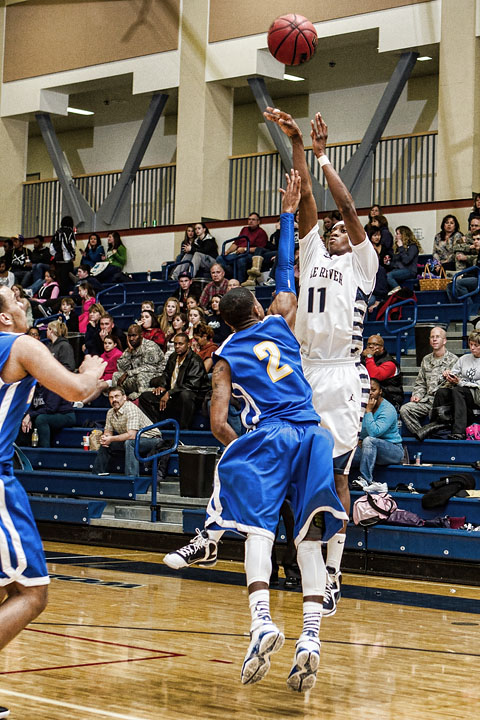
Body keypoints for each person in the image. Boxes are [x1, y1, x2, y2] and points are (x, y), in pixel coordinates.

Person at [164, 171, 347, 693]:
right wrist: (286, 214)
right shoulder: (282, 318)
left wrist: (241, 446)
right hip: (313, 434)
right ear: (260, 310)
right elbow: (287, 267)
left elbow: (219, 420)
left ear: (227, 324)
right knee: (309, 537)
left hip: (272, 436)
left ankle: (259, 614)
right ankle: (311, 636)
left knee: (256, 524)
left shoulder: (223, 355)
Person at [263, 107, 378, 616]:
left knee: (337, 477)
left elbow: (348, 207)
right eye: (327, 230)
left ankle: (333, 573)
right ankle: (303, 560)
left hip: (341, 373)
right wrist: (296, 143)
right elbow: (305, 197)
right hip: (305, 368)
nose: (332, 231)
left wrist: (326, 154)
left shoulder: (363, 264)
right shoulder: (311, 258)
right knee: (297, 476)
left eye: (338, 231)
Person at [0, 285, 104, 720]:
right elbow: (77, 391)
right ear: (4, 318)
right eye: (17, 301)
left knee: (5, 588)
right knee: (32, 593)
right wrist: (93, 370)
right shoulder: (20, 345)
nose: (25, 305)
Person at [138, 332, 209, 429]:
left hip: (190, 397)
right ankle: (159, 426)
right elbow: (166, 374)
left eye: (180, 344)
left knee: (186, 395)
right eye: (175, 344)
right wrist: (162, 386)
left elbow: (192, 385)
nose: (177, 346)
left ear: (188, 344)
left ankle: (184, 429)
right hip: (173, 395)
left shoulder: (195, 360)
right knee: (145, 397)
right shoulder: (173, 357)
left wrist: (170, 393)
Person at [399, 327, 458, 440]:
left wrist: (450, 378)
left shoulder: (453, 360)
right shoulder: (426, 359)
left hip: (443, 404)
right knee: (405, 409)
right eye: (432, 337)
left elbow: (456, 385)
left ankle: (426, 434)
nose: (434, 339)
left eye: (437, 337)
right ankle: (424, 435)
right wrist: (417, 395)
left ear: (444, 340)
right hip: (427, 401)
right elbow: (420, 382)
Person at [92, 386, 162, 477]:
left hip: (152, 440)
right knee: (107, 443)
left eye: (117, 396)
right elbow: (108, 432)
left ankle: (131, 477)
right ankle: (97, 474)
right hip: (135, 440)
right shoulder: (110, 412)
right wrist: (105, 438)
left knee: (130, 443)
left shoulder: (130, 409)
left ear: (124, 397)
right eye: (111, 397)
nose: (114, 400)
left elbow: (132, 435)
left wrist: (111, 438)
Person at [351, 378, 404, 493]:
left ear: (380, 391)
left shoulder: (387, 409)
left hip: (392, 450)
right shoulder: (359, 406)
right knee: (346, 450)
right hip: (368, 449)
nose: (370, 393)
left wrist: (369, 411)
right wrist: (358, 440)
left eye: (373, 390)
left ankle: (366, 480)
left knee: (369, 441)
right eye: (367, 390)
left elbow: (374, 432)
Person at [426, 330, 480, 440]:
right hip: (463, 391)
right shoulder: (464, 358)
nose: (472, 348)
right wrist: (447, 375)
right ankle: (437, 428)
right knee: (442, 392)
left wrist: (459, 382)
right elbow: (454, 372)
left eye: (476, 345)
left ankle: (459, 431)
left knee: (458, 390)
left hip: (477, 394)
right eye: (471, 344)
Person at [112, 324, 164, 401]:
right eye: (129, 336)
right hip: (136, 377)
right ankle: (119, 399)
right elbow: (121, 367)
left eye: (134, 335)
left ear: (141, 335)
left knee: (141, 375)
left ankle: (139, 396)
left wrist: (128, 373)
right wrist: (129, 352)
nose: (131, 339)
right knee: (116, 375)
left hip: (154, 376)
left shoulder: (150, 346)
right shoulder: (130, 348)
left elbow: (151, 367)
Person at [216, 212, 268, 283]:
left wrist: (245, 249)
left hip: (250, 255)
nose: (251, 221)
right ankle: (230, 279)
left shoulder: (261, 232)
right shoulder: (244, 229)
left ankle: (240, 282)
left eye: (253, 219)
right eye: (249, 219)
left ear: (258, 221)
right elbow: (236, 243)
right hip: (238, 253)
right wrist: (227, 251)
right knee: (220, 258)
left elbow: (260, 249)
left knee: (241, 260)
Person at [361, 334, 404, 410]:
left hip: (390, 400)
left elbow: (374, 376)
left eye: (375, 344)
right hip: (372, 397)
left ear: (382, 348)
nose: (371, 346)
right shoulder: (365, 358)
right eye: (369, 344)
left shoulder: (390, 363)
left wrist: (369, 357)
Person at [386, 226, 421, 291]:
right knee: (384, 276)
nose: (396, 236)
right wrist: (387, 263)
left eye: (398, 234)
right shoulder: (397, 247)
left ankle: (400, 292)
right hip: (398, 270)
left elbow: (406, 261)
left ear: (403, 235)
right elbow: (394, 264)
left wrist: (401, 247)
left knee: (389, 276)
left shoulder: (412, 246)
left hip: (409, 270)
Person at [50, 215, 76, 295]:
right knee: (67, 281)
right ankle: (67, 296)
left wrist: (56, 255)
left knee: (59, 281)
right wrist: (72, 255)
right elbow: (70, 245)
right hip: (67, 262)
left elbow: (51, 248)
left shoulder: (57, 232)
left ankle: (60, 296)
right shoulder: (70, 233)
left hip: (58, 261)